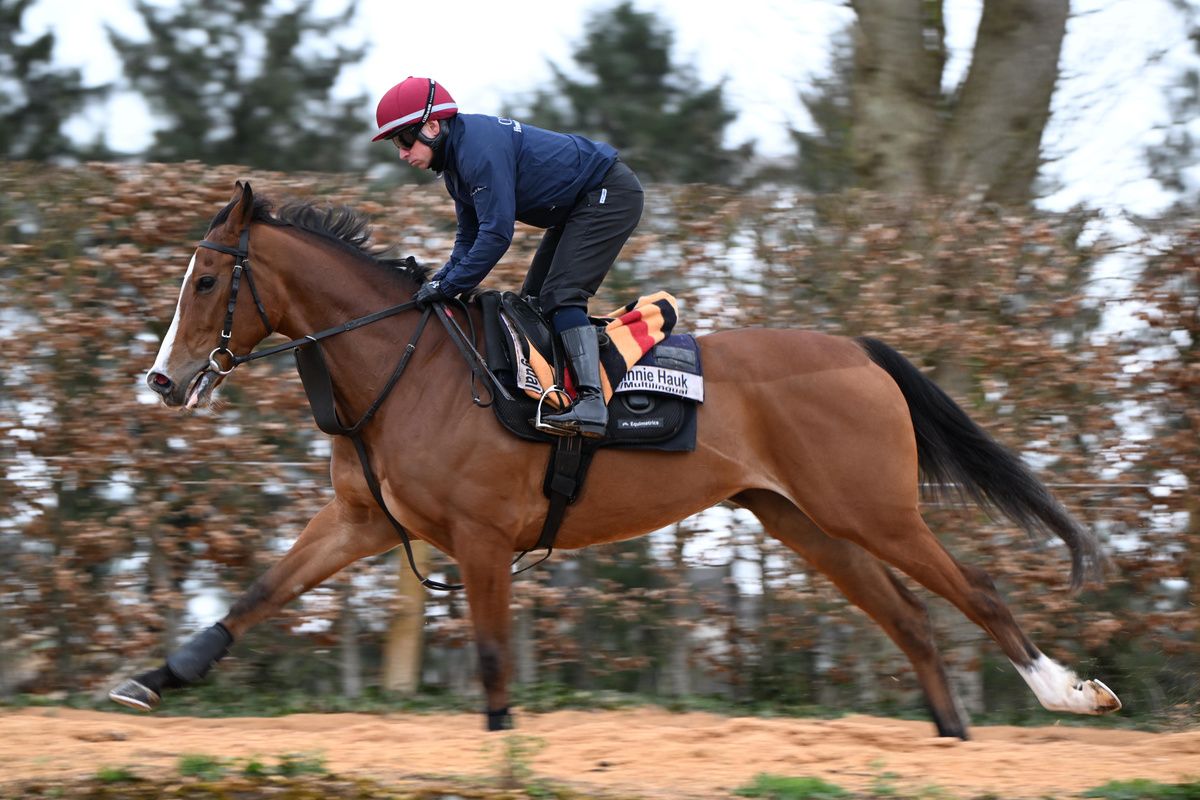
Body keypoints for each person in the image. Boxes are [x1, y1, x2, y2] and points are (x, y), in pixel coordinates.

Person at [372, 76, 644, 438]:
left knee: (561, 297)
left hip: (608, 193)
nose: (402, 153)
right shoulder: (455, 166)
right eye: (396, 144)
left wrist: (447, 287)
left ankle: (592, 405)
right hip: (578, 205)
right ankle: (557, 391)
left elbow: (496, 236)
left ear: (433, 126)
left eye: (404, 140)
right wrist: (438, 282)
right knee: (533, 302)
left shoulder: (477, 152)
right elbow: (468, 238)